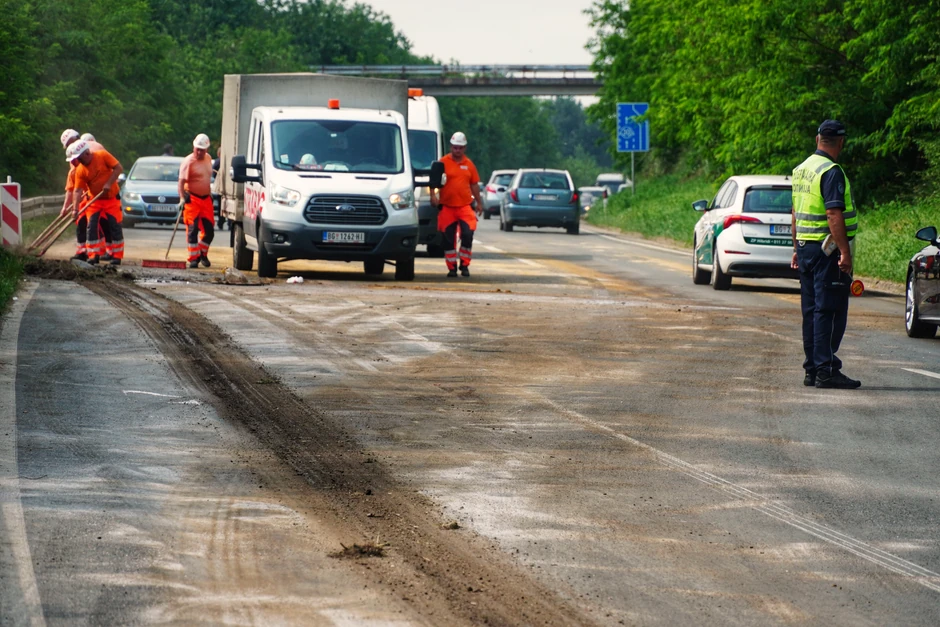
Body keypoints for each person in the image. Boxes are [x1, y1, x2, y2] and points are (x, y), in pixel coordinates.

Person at [791, 119, 861, 389]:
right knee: (829, 310)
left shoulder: (801, 169)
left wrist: (795, 248)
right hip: (826, 251)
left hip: (805, 248)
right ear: (841, 142)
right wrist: (844, 251)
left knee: (811, 310)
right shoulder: (831, 171)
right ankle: (826, 370)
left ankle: (812, 369)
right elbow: (833, 213)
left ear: (817, 139)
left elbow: (795, 213)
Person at [429, 131, 483, 278]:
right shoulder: (442, 162)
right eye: (455, 147)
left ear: (464, 148)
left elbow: (474, 185)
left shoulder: (469, 165)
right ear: (451, 147)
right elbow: (433, 181)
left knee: (467, 233)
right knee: (448, 239)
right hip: (447, 207)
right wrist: (433, 195)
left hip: (465, 206)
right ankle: (451, 267)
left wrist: (479, 202)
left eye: (460, 148)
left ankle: (464, 265)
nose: (457, 150)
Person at [68, 140, 124, 265]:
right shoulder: (80, 170)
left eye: (79, 158)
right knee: (91, 227)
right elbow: (77, 190)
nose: (78, 161)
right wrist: (75, 210)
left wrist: (109, 183)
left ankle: (117, 256)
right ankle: (93, 255)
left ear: (87, 153)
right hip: (94, 200)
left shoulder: (102, 156)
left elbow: (118, 168)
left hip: (111, 199)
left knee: (114, 226)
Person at [59, 129, 109, 261]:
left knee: (95, 224)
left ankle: (97, 252)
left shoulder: (92, 153)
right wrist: (67, 207)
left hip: (95, 195)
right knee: (83, 223)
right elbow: (72, 187)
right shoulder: (74, 162)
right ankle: (85, 251)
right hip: (84, 196)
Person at [178, 133, 215, 268]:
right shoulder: (188, 162)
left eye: (202, 150)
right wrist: (182, 198)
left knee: (209, 231)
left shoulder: (208, 159)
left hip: (206, 199)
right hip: (192, 199)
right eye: (197, 149)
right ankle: (193, 258)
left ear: (207, 150)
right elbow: (181, 182)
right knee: (192, 230)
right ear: (193, 147)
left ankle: (202, 254)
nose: (199, 152)